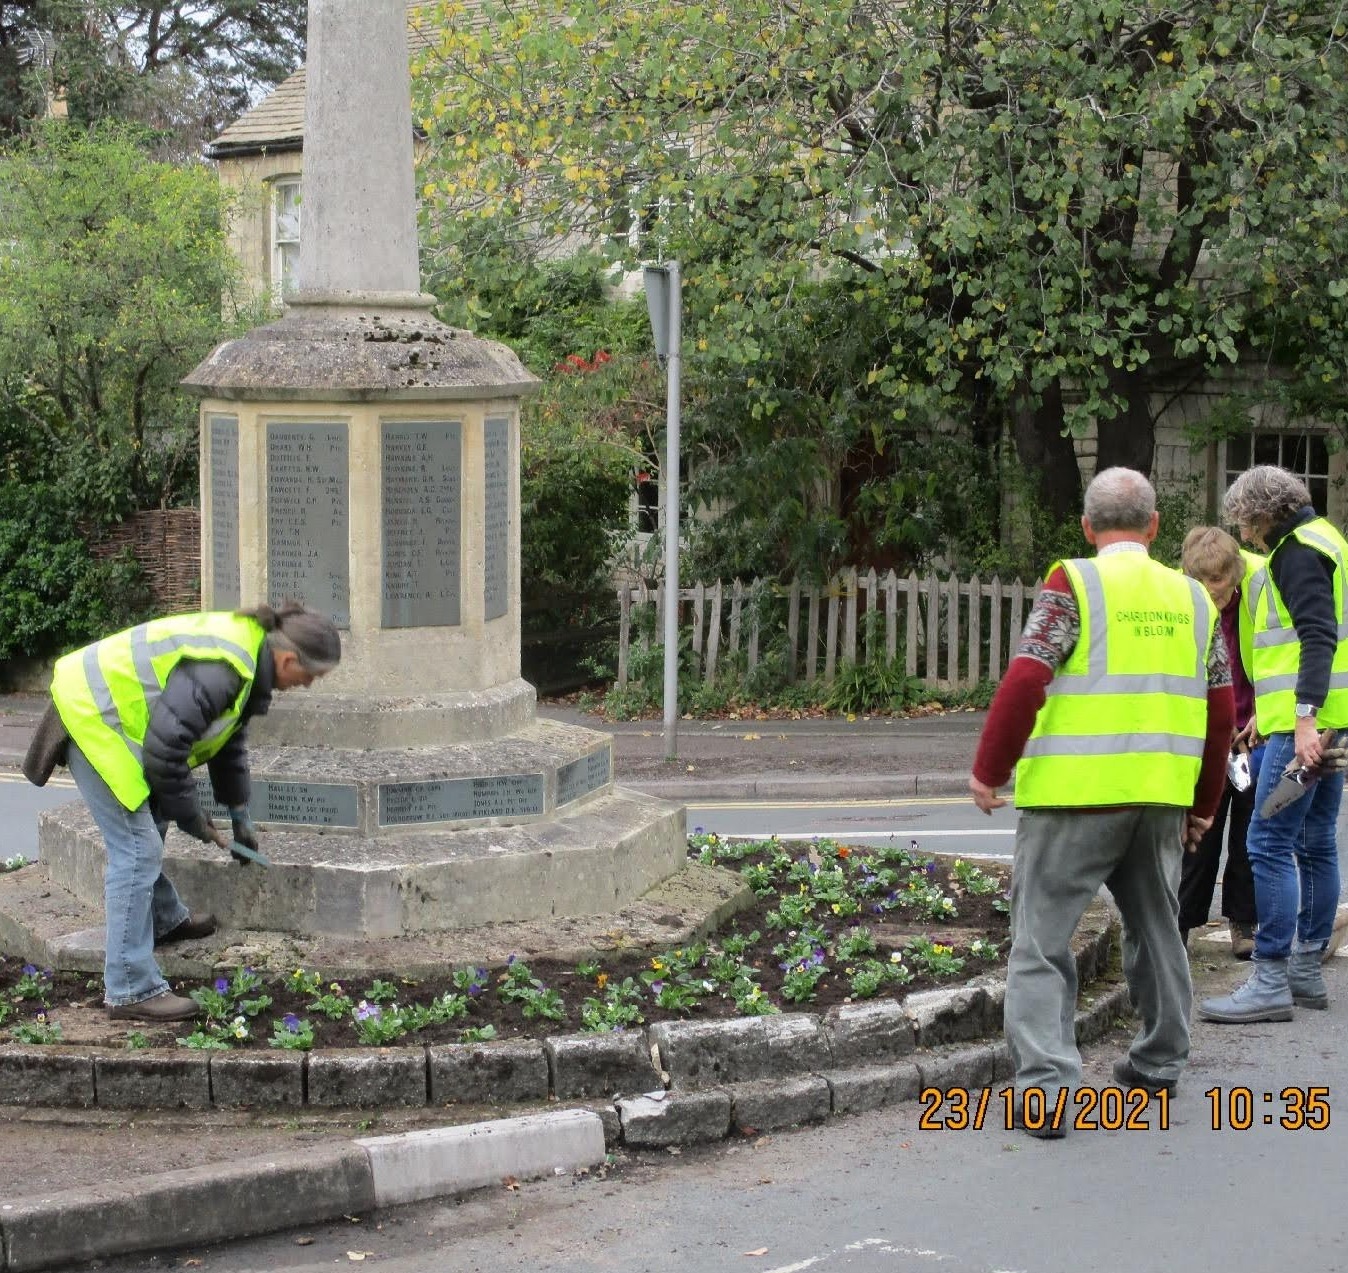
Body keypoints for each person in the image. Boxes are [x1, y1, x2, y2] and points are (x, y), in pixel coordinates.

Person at [970, 468, 1233, 1138]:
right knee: (1158, 927)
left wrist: (990, 767)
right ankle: (1159, 1060)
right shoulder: (1196, 601)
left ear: (1087, 528)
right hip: (1159, 798)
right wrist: (1202, 806)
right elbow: (1221, 711)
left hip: (1073, 797)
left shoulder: (1075, 583)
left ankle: (1049, 1090)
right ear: (1153, 527)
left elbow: (1030, 672)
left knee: (1040, 940)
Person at [22, 603, 341, 1023]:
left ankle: (164, 919)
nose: (308, 686)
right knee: (137, 849)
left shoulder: (246, 662)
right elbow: (165, 755)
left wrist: (240, 814)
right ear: (286, 659)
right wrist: (194, 819)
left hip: (116, 720)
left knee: (152, 822)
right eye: (310, 677)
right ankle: (130, 988)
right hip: (93, 717)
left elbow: (227, 742)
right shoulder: (224, 668)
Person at [1200, 466, 1348, 1023]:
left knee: (1266, 842)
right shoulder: (1327, 538)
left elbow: (1316, 636)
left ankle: (1270, 979)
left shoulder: (1295, 552)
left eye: (1246, 522)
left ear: (1264, 514)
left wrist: (1301, 721)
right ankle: (1306, 972)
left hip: (1304, 732)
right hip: (1329, 719)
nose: (1245, 535)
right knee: (1313, 842)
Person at [1176, 527, 1262, 959]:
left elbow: (1283, 653)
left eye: (1224, 586)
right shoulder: (1176, 600)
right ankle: (1180, 924)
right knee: (1198, 832)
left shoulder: (1261, 589)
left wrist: (1263, 716)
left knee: (1250, 834)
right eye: (1207, 587)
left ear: (1236, 573)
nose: (1217, 596)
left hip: (1256, 728)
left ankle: (1243, 923)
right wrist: (1216, 725)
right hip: (1209, 731)